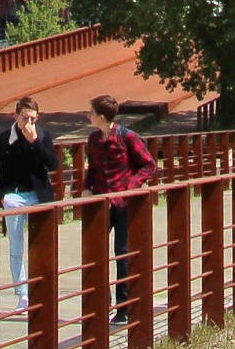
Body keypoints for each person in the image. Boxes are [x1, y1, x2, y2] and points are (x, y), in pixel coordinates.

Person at [78, 96, 157, 328]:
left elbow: (149, 165)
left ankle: (124, 307)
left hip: (123, 204)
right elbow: (92, 167)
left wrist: (128, 188)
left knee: (122, 254)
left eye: (91, 112)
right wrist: (86, 188)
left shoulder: (127, 137)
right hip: (100, 203)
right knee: (95, 253)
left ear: (102, 116)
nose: (88, 116)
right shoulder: (93, 139)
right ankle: (99, 304)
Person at [0, 99, 56, 317]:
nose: (29, 122)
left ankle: (40, 291)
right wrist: (1, 196)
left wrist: (34, 142)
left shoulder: (42, 136)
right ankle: (22, 294)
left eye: (33, 118)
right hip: (13, 196)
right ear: (16, 116)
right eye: (25, 117)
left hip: (38, 196)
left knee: (40, 245)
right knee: (16, 247)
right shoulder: (5, 139)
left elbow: (52, 164)